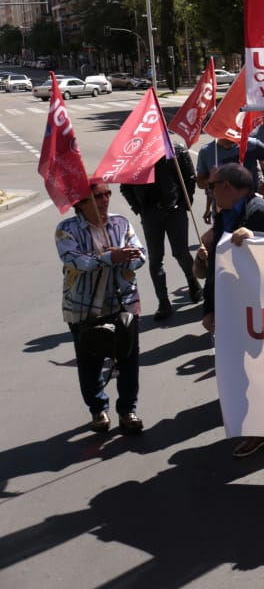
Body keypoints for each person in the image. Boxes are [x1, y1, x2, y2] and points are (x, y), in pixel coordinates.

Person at [199, 163, 264, 464]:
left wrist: (256, 236)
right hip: (235, 307)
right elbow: (217, 267)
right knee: (245, 374)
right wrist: (210, 308)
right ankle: (260, 428)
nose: (210, 192)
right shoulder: (223, 214)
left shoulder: (261, 211)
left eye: (212, 187)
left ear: (227, 187)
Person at [56, 179, 147, 434]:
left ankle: (127, 410)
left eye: (107, 194)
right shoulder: (67, 229)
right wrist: (109, 257)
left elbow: (140, 254)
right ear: (81, 202)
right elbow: (74, 260)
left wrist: (129, 257)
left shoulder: (121, 223)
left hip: (123, 302)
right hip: (84, 307)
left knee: (128, 359)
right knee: (90, 362)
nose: (105, 200)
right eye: (98, 196)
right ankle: (98, 409)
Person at [120, 144, 199, 320]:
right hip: (150, 213)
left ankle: (193, 281)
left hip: (175, 210)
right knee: (156, 258)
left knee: (181, 252)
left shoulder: (176, 150)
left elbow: (189, 178)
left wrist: (184, 203)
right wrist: (139, 209)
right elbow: (125, 186)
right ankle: (163, 301)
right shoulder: (135, 154)